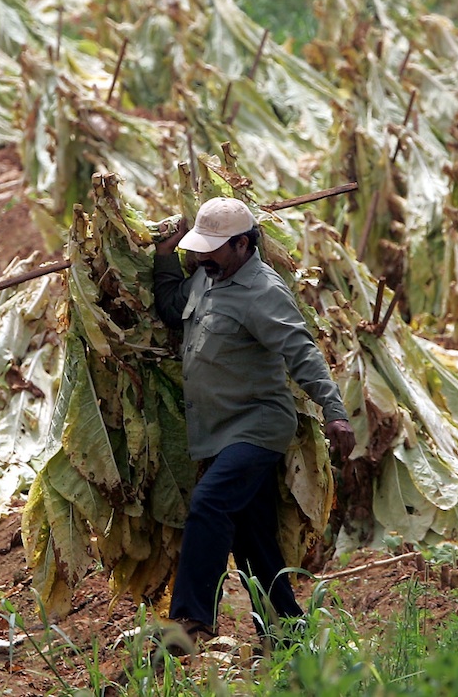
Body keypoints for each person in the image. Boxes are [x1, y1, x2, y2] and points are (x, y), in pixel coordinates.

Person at [151, 197, 356, 651]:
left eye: (212, 249)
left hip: (257, 426)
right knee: (253, 541)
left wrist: (335, 413)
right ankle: (287, 632)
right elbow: (170, 308)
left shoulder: (263, 290)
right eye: (198, 249)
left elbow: (300, 351)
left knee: (208, 504)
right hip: (215, 434)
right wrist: (164, 257)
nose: (201, 258)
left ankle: (189, 621)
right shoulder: (206, 278)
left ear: (242, 245)